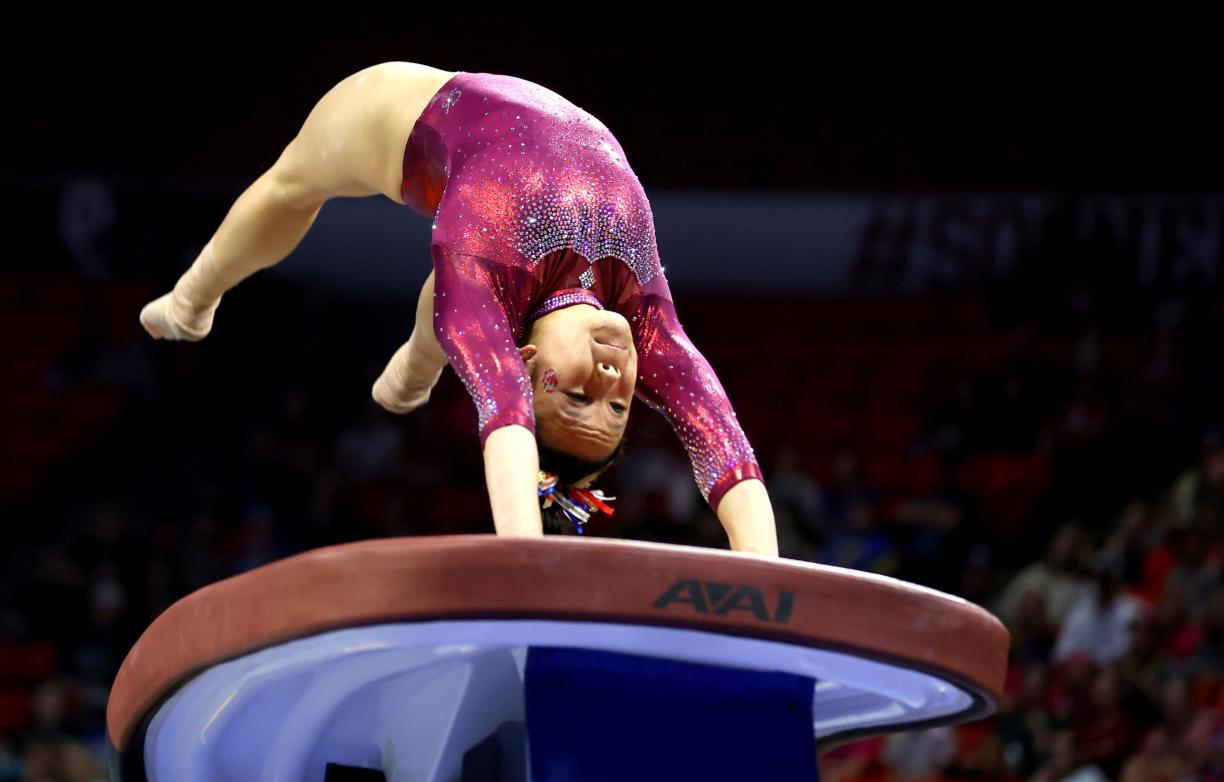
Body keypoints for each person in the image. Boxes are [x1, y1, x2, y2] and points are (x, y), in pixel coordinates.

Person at [138, 61, 777, 553]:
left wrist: (525, 561)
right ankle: (414, 369)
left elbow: (505, 420)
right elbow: (726, 452)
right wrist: (769, 584)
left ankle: (191, 299)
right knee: (460, 289)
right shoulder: (645, 322)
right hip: (480, 233)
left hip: (405, 124)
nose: (610, 384)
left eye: (577, 398)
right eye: (617, 407)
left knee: (292, 185)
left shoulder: (484, 283)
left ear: (522, 363)